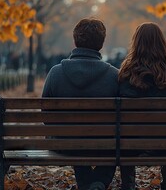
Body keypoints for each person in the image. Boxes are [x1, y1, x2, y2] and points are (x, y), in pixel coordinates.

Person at [42, 18, 118, 190]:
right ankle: (98, 182)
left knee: (72, 138)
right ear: (101, 43)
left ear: (75, 40)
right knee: (115, 142)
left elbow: (45, 114)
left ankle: (88, 184)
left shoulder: (56, 73)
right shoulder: (114, 76)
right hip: (105, 144)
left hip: (64, 144)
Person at [118, 22, 166, 190]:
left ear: (136, 44)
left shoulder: (126, 73)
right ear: (162, 43)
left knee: (125, 135)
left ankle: (128, 183)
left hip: (131, 144)